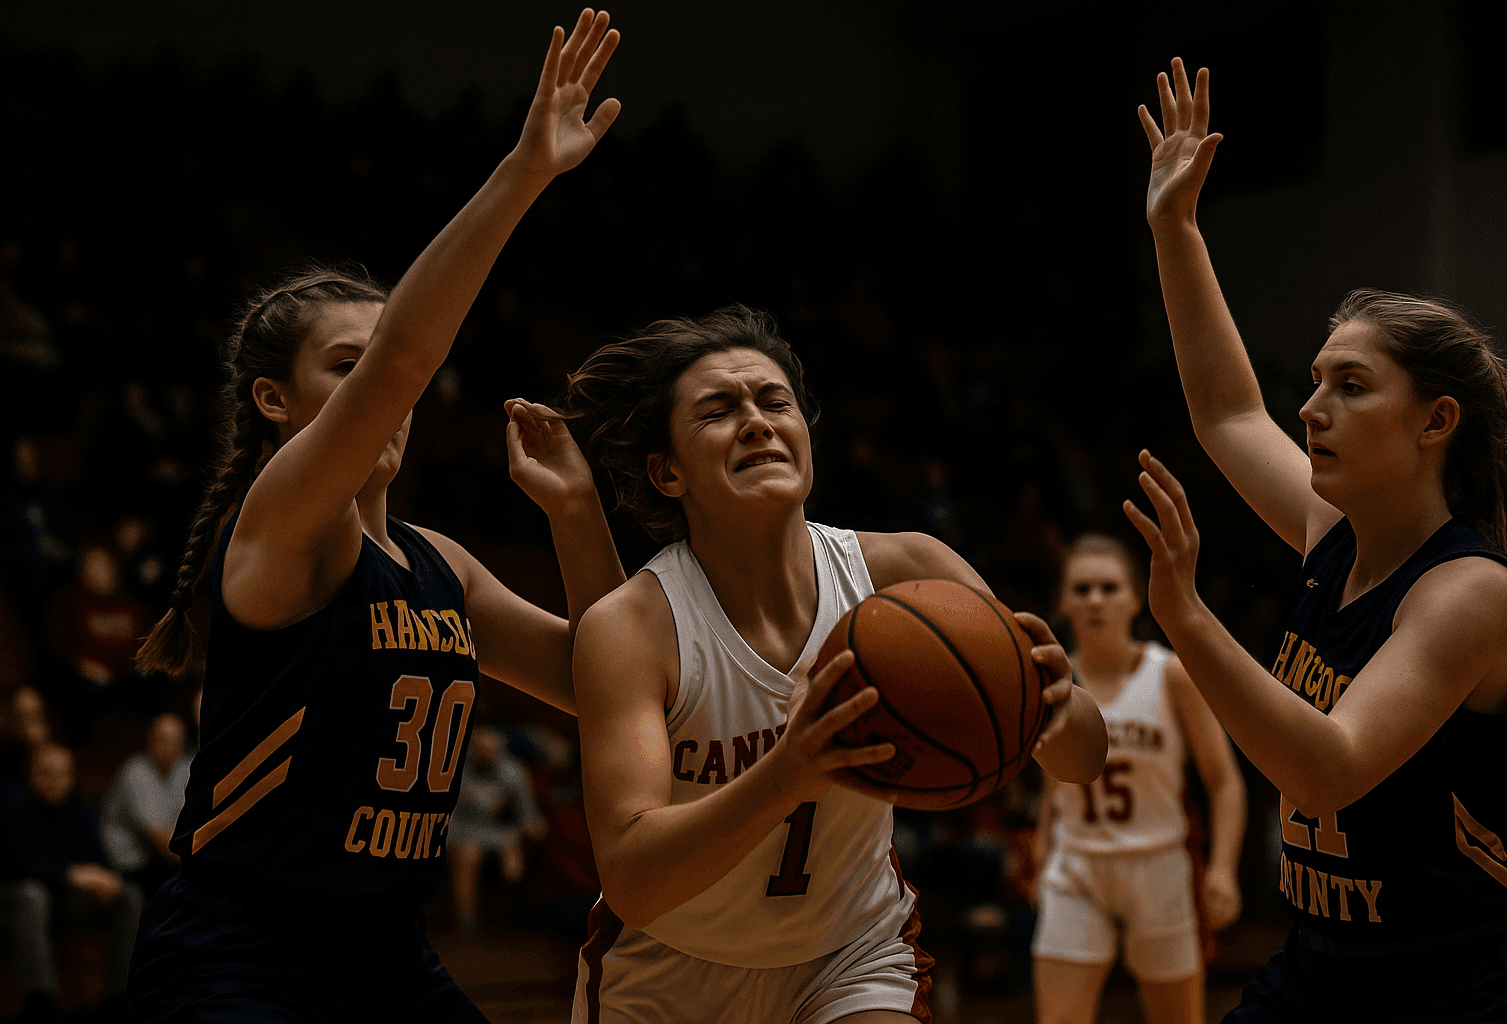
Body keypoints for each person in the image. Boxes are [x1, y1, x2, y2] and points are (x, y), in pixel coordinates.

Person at [124, 11, 626, 1021]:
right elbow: (407, 358)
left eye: (374, 366)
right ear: (275, 400)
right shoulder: (285, 524)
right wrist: (523, 173)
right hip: (242, 953)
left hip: (388, 950)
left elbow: (607, 682)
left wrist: (576, 512)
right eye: (346, 369)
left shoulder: (443, 563)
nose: (383, 392)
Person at [1125, 59, 1507, 1021]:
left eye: (1351, 386)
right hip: (1321, 967)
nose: (1311, 409)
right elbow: (1228, 412)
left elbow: (1327, 770)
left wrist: (1188, 620)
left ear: (1436, 422)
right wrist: (1176, 230)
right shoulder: (1338, 536)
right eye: (1315, 381)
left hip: (1452, 985)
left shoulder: (1469, 593)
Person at [563, 305, 1109, 1024]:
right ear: (667, 473)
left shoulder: (909, 572)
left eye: (775, 402)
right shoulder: (632, 627)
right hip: (668, 967)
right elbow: (634, 880)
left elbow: (1083, 760)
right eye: (719, 411)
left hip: (851, 951)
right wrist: (786, 774)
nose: (756, 422)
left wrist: (1055, 706)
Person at [1031, 534, 1246, 1024]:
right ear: (1063, 603)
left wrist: (1222, 868)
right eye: (1082, 589)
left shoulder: (1171, 674)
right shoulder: (1049, 679)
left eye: (1109, 588)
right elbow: (1052, 783)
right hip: (1078, 867)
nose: (1095, 600)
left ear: (1134, 599)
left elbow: (1224, 781)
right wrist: (1042, 851)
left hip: (1159, 864)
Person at [0, 743, 143, 1024]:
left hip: (65, 898)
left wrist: (106, 878)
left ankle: (119, 998)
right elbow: (18, 863)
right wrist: (67, 873)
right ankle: (40, 1001)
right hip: (18, 897)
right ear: (31, 774)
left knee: (128, 894)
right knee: (33, 894)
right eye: (47, 773)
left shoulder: (76, 808)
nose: (55, 781)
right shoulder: (13, 805)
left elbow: (96, 859)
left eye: (62, 774)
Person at [445, 726, 547, 930]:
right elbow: (448, 811)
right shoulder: (456, 769)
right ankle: (467, 919)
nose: (486, 755)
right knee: (468, 855)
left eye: (490, 750)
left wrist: (531, 827)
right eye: (480, 749)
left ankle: (513, 918)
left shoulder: (514, 772)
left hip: (500, 831)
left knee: (513, 861)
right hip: (463, 830)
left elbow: (527, 812)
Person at [99, 712, 193, 898]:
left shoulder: (184, 769)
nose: (167, 746)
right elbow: (160, 842)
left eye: (175, 740)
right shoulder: (135, 772)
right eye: (162, 739)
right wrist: (206, 861)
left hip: (162, 861)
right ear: (149, 739)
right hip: (128, 865)